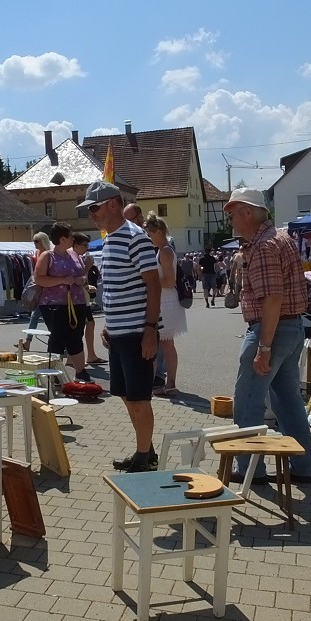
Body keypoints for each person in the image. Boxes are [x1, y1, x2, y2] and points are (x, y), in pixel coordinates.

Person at [223, 187, 311, 485]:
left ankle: (251, 470)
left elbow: (273, 299)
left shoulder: (264, 245)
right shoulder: (277, 238)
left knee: (248, 402)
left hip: (272, 330)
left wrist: (263, 346)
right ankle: (303, 467)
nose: (231, 221)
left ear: (247, 212)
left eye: (232, 214)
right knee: (288, 402)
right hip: (290, 328)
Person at [77, 180, 161, 472]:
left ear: (113, 203)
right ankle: (145, 449)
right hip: (119, 331)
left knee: (139, 397)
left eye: (95, 207)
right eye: (89, 209)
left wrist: (150, 329)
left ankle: (144, 457)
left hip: (137, 331)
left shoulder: (135, 237)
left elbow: (154, 286)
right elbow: (112, 288)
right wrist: (108, 324)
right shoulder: (111, 238)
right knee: (125, 394)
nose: (91, 214)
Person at [34, 222, 91, 383]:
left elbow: (81, 274)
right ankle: (53, 375)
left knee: (75, 336)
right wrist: (63, 280)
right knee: (58, 337)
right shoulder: (48, 256)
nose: (73, 238)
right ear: (62, 238)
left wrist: (82, 280)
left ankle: (80, 371)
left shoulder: (74, 255)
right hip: (53, 304)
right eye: (71, 235)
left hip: (76, 302)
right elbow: (39, 278)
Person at [143, 215, 186, 395]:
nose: (148, 237)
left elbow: (169, 281)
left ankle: (171, 383)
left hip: (167, 301)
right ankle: (167, 382)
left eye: (149, 234)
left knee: (167, 345)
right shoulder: (162, 250)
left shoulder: (165, 251)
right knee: (165, 344)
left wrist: (149, 281)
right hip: (164, 300)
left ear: (159, 232)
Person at [70, 232, 105, 364]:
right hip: (77, 300)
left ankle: (86, 355)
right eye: (85, 245)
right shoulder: (73, 257)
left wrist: (87, 286)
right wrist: (87, 268)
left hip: (82, 298)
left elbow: (80, 280)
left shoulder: (77, 257)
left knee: (87, 324)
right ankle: (81, 357)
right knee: (81, 327)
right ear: (77, 245)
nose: (87, 248)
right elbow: (76, 278)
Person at [21, 231, 51, 350]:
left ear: (43, 241)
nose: (34, 243)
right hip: (39, 289)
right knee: (38, 317)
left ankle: (28, 342)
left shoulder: (48, 254)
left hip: (46, 290)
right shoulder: (38, 253)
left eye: (36, 241)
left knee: (45, 318)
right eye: (34, 241)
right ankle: (28, 342)